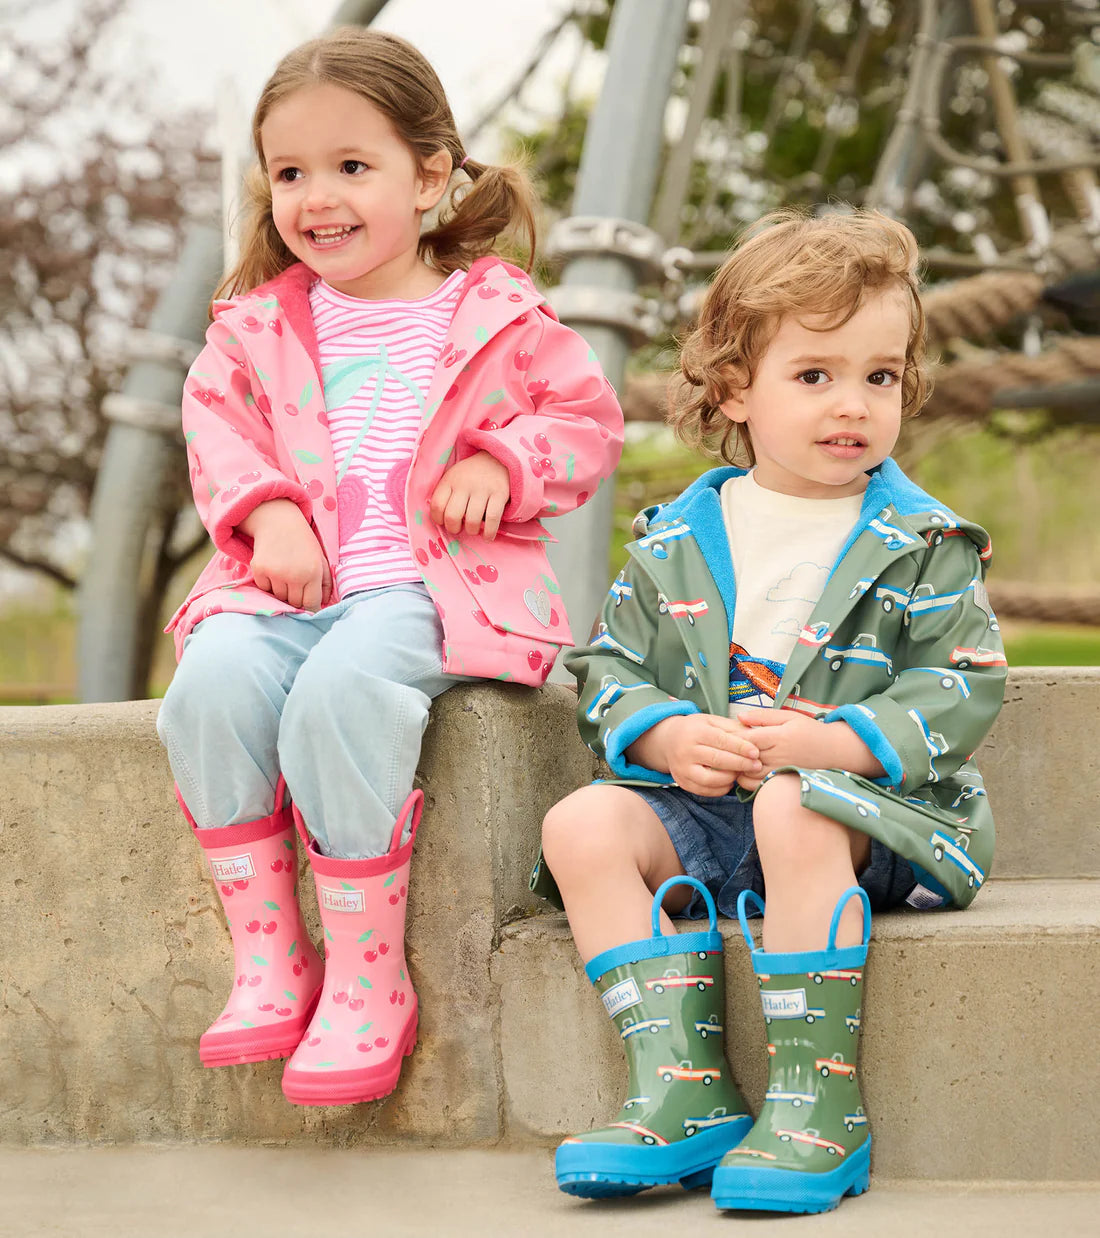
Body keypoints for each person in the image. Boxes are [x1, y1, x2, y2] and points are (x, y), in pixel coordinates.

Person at [157, 27, 623, 1108]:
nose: (316, 197)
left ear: (429, 175)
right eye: (289, 172)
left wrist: (505, 461)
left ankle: (368, 973)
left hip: (434, 590)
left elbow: (584, 424)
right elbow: (217, 430)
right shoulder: (255, 330)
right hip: (282, 586)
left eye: (351, 166)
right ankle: (271, 950)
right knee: (212, 680)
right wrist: (269, 513)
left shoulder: (494, 316)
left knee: (340, 692)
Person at [536, 208, 1006, 1214]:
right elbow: (609, 668)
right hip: (710, 808)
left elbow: (961, 678)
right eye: (814, 375)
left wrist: (828, 741)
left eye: (877, 376)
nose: (852, 404)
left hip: (864, 816)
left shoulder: (919, 540)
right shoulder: (674, 541)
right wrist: (664, 732)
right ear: (734, 389)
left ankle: (815, 1102)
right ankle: (678, 1085)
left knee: (793, 802)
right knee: (580, 821)